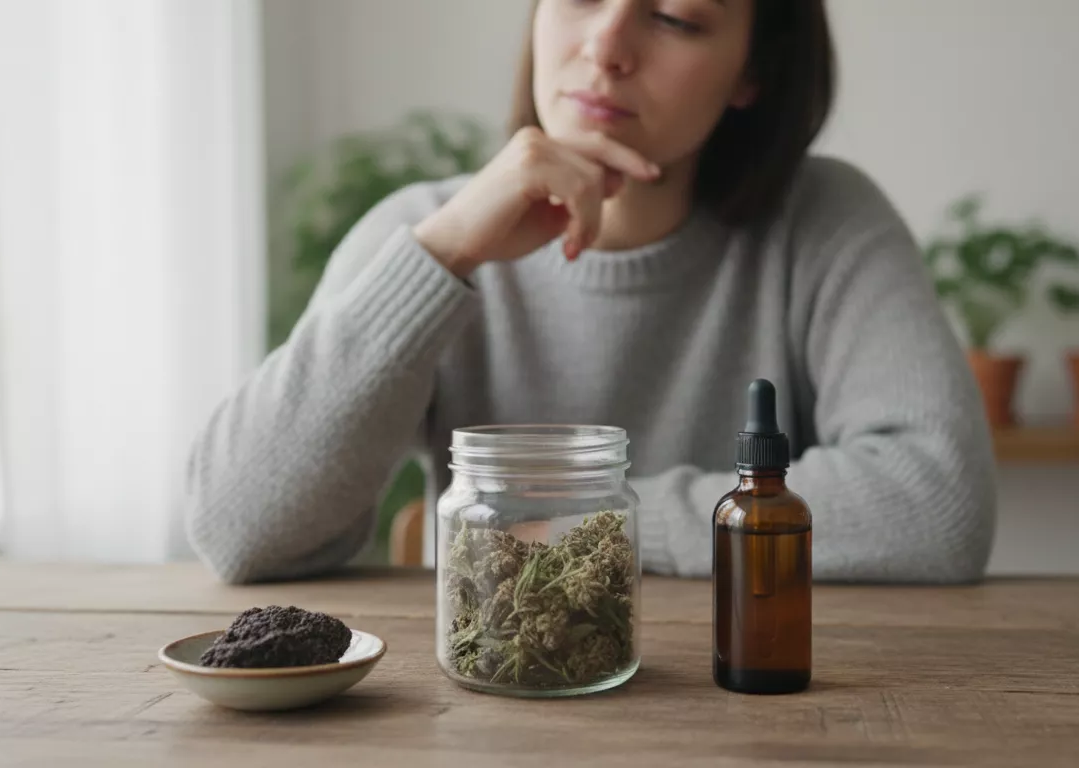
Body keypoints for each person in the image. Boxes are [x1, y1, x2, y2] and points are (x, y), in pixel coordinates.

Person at [184, 0, 996, 585]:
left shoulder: (826, 223)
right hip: (488, 699)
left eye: (675, 17)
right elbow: (238, 528)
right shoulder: (425, 229)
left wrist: (561, 525)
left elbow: (934, 501)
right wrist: (443, 255)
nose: (607, 45)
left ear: (752, 70)